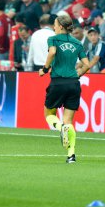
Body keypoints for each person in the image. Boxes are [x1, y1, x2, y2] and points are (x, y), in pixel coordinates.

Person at [38, 15, 90, 163]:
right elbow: (87, 64)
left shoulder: (53, 39)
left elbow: (53, 52)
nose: (53, 27)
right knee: (69, 120)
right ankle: (71, 155)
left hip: (58, 82)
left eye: (54, 24)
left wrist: (45, 68)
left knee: (48, 114)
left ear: (60, 26)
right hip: (74, 83)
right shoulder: (77, 43)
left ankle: (61, 127)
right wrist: (78, 73)